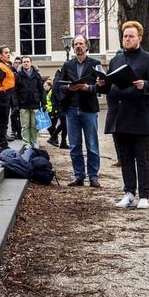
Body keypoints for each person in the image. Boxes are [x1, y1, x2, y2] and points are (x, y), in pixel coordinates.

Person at [98, 21, 149, 210]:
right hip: (119, 117)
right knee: (125, 158)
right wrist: (101, 84)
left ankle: (144, 194)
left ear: (139, 38)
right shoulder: (116, 60)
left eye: (131, 36)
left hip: (140, 116)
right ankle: (128, 192)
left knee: (142, 158)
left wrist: (145, 84)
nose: (127, 39)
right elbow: (109, 83)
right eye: (125, 36)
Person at [56, 35, 102, 187]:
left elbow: (103, 87)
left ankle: (93, 176)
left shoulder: (96, 64)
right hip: (71, 109)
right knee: (75, 145)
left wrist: (88, 88)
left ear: (86, 46)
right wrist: (68, 88)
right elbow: (59, 86)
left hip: (89, 109)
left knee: (92, 145)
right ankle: (79, 176)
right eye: (76, 44)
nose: (78, 46)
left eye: (81, 43)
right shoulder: (67, 65)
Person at [0, 45, 16, 155]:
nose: (8, 54)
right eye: (6, 52)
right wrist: (1, 94)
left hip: (6, 97)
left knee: (4, 122)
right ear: (0, 55)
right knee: (1, 122)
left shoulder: (5, 66)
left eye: (9, 52)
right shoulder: (0, 67)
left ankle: (3, 144)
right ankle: (0, 145)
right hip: (1, 97)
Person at [14, 56, 44, 147]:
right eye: (24, 62)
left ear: (31, 63)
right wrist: (16, 104)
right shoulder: (18, 75)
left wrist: (43, 103)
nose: (26, 63)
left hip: (35, 104)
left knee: (34, 126)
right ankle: (27, 144)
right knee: (25, 126)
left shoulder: (37, 75)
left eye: (27, 61)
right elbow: (15, 91)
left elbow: (41, 90)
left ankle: (33, 142)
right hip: (23, 104)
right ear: (22, 64)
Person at [45, 74, 68, 149]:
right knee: (63, 124)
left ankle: (62, 142)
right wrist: (54, 110)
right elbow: (54, 99)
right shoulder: (58, 81)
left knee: (65, 125)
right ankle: (53, 138)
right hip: (58, 108)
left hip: (62, 107)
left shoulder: (62, 79)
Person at [10, 56, 23, 139]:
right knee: (13, 114)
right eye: (16, 63)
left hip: (20, 97)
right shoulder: (11, 71)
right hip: (11, 96)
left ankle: (19, 131)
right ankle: (14, 131)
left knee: (19, 115)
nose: (17, 64)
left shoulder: (22, 73)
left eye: (19, 63)